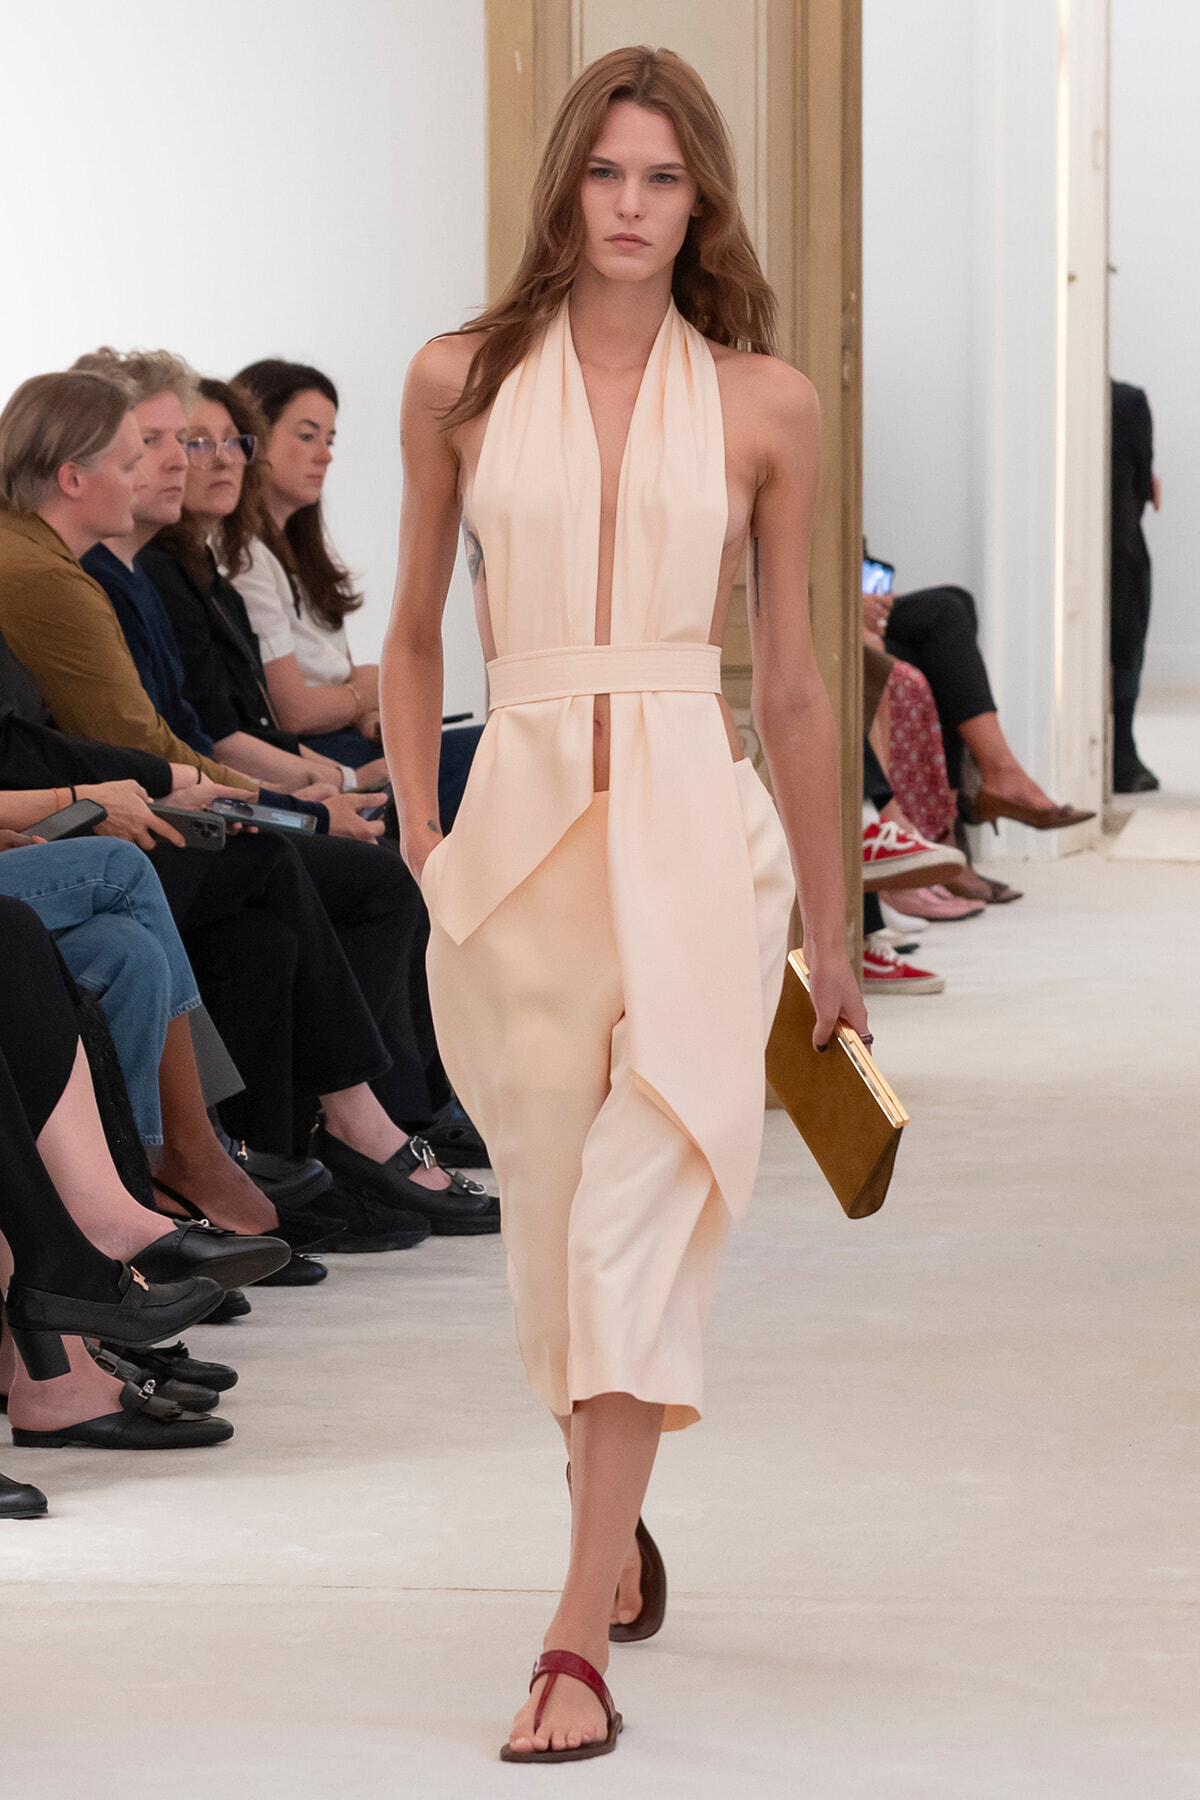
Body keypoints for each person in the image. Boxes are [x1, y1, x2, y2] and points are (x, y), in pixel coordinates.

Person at [383, 47, 866, 1761]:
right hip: (512, 849)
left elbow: (796, 687)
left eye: (664, 179)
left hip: (691, 834)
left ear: (700, 198)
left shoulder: (763, 403)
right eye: (608, 175)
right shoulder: (454, 378)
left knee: (640, 1216)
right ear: (565, 189)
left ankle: (572, 1628)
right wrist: (424, 843)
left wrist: (836, 925)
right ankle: (609, 1495)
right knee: (552, 1236)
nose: (635, 207)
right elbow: (419, 626)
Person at [0, 368, 495, 1238]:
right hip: (64, 823)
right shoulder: (49, 573)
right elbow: (146, 739)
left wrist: (251, 787)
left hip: (68, 812)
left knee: (255, 925)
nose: (184, 465)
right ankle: (320, 1135)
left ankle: (260, 1164)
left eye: (216, 444)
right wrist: (288, 794)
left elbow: (156, 732)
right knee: (287, 865)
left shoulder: (105, 569)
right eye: (147, 448)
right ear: (72, 477)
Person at [865, 579, 1094, 833]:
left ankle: (959, 815)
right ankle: (984, 789)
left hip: (850, 595)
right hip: (830, 607)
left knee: (958, 601)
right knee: (944, 616)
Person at [1110, 379, 1159, 793]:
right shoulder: (1128, 402)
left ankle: (1121, 748)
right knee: (1129, 619)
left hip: (1114, 547)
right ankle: (1122, 747)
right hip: (1122, 549)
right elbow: (1143, 486)